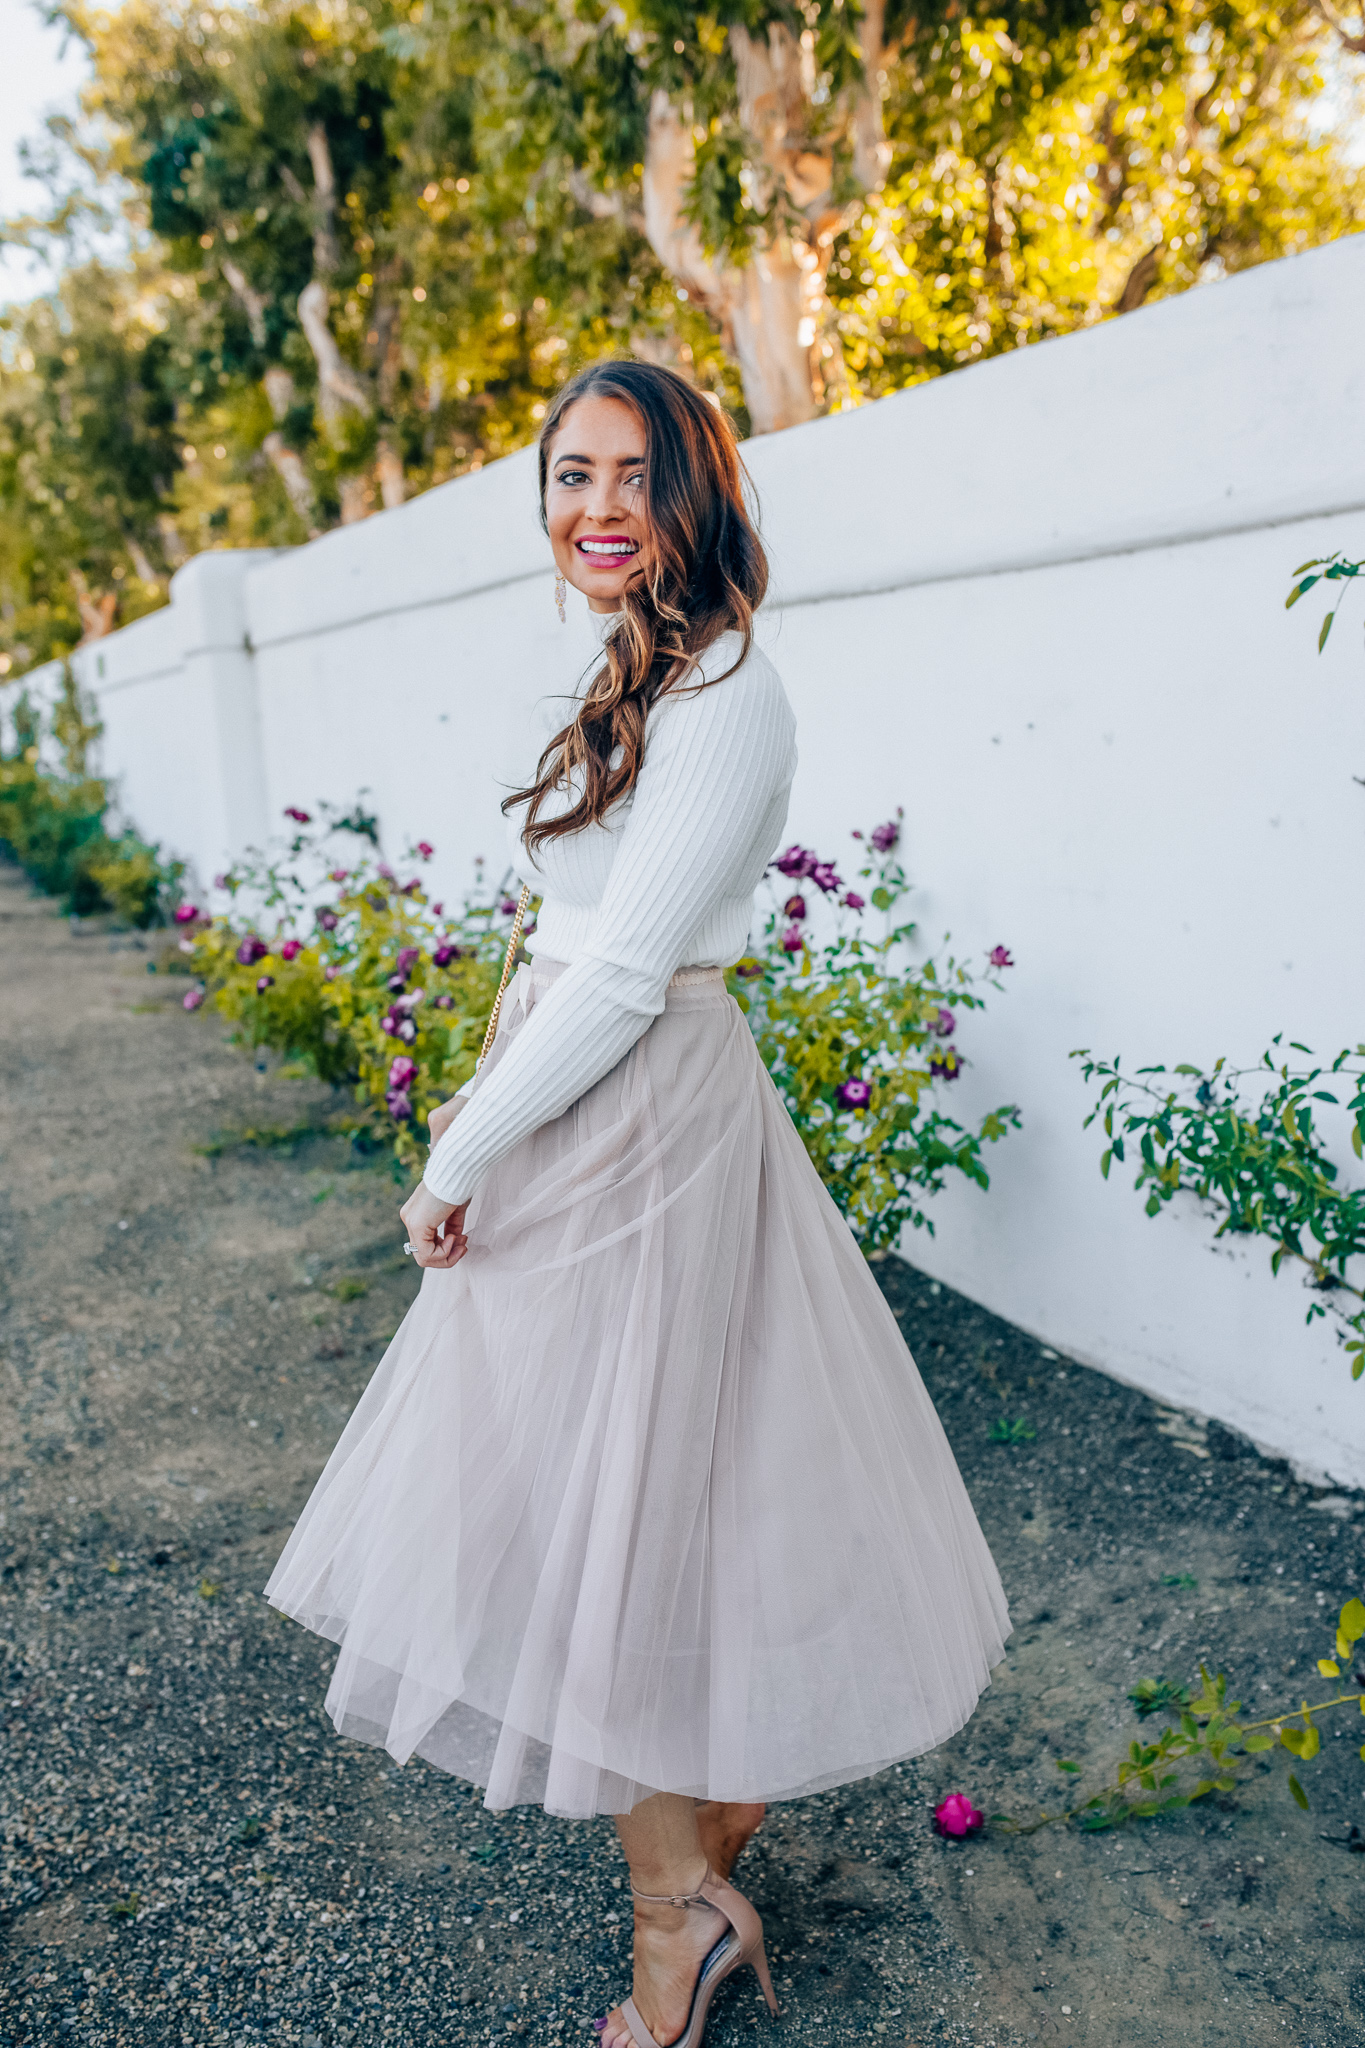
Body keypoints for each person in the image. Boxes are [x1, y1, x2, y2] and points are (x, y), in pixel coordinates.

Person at [265, 360, 1010, 2048]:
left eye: (630, 475)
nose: (594, 509)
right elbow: (553, 954)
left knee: (615, 1518)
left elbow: (617, 983)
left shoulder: (728, 687)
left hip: (642, 1119)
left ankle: (676, 1919)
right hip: (578, 1108)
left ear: (698, 490)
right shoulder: (641, 670)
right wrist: (475, 1113)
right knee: (607, 1505)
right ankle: (701, 1833)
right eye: (567, 475)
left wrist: (457, 1158)